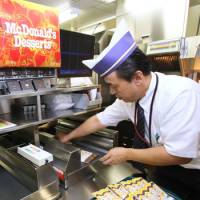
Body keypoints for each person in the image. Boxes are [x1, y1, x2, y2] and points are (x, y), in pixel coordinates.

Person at [57, 22, 200, 199]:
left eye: (113, 86)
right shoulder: (128, 99)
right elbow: (98, 120)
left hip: (194, 173)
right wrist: (70, 136)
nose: (112, 92)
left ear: (138, 77)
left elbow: (180, 155)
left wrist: (127, 154)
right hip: (164, 168)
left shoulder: (181, 94)